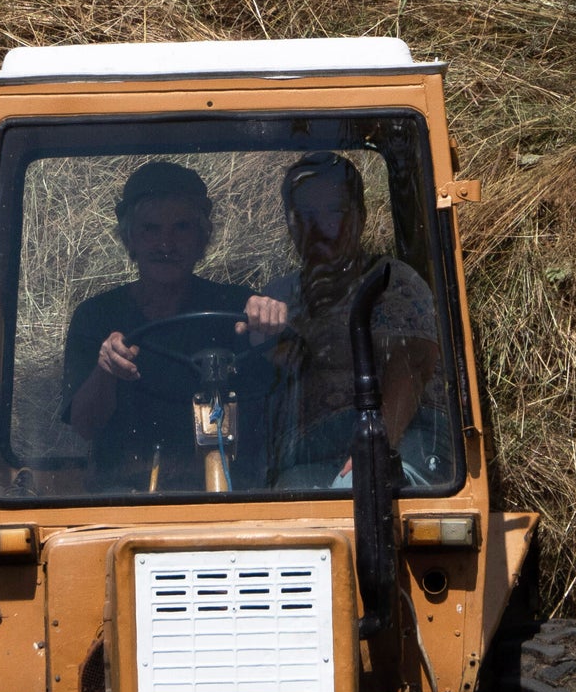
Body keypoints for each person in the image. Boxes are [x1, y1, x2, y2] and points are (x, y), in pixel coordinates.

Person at [62, 162, 280, 488]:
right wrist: (106, 369)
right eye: (150, 229)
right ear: (130, 239)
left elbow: (282, 411)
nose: (166, 244)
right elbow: (85, 426)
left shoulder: (237, 309)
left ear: (202, 237)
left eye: (181, 228)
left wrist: (270, 324)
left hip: (230, 492)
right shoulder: (96, 315)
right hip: (124, 493)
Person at [255, 152, 444, 484]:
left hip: (403, 440)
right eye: (305, 215)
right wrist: (257, 336)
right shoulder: (280, 294)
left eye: (334, 213)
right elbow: (268, 376)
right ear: (290, 222)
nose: (318, 228)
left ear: (360, 218)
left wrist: (375, 445)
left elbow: (412, 363)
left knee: (357, 490)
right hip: (313, 454)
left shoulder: (391, 281)